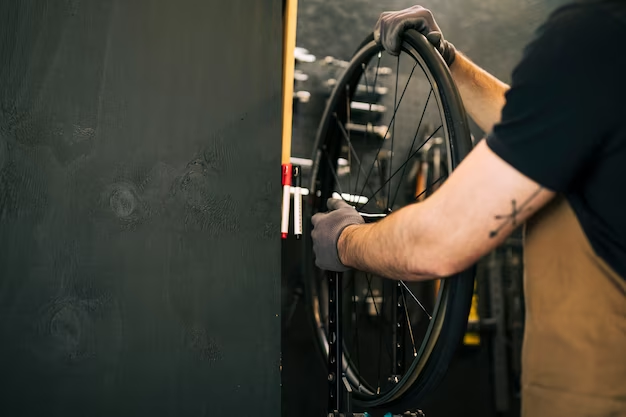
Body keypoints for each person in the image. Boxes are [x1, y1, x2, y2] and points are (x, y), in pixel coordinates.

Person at [310, 2, 626, 416]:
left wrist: (345, 240)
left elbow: (440, 241)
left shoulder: (595, 34)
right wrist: (451, 63)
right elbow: (550, 132)